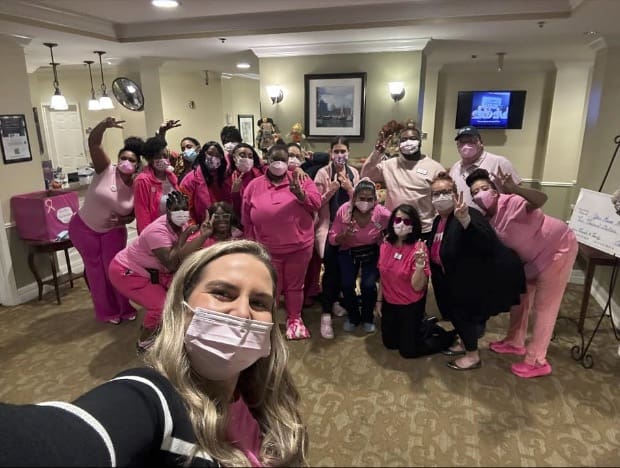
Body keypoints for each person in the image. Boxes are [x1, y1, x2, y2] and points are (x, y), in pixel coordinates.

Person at [0, 241, 308, 466]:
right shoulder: (153, 398)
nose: (242, 312)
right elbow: (59, 443)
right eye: (222, 293)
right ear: (181, 309)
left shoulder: (268, 401)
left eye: (259, 303)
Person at [466, 167, 579, 378]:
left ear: (495, 191)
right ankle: (515, 341)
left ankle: (537, 360)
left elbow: (540, 199)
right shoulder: (487, 218)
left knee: (544, 307)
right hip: (529, 260)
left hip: (557, 249)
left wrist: (516, 188)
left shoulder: (512, 202)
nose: (480, 194)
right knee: (520, 299)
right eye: (474, 192)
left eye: (484, 188)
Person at [427, 172, 525, 370]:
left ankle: (472, 356)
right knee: (458, 316)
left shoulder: (468, 214)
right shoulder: (438, 220)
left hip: (469, 282)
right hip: (450, 280)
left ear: (456, 194)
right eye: (436, 194)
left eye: (446, 192)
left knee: (464, 317)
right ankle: (465, 344)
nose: (441, 197)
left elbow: (486, 242)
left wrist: (465, 221)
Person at [109, 191, 213, 352]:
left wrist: (203, 235)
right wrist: (184, 237)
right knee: (160, 306)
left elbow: (184, 252)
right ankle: (144, 342)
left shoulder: (182, 224)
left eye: (184, 209)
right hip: (128, 271)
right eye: (176, 210)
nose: (181, 213)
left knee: (183, 293)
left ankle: (162, 328)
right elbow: (171, 263)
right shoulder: (157, 232)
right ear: (168, 211)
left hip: (153, 270)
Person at [68, 117, 143, 324]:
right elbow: (94, 143)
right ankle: (107, 311)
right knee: (96, 271)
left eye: (132, 160)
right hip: (84, 228)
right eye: (123, 158)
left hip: (113, 231)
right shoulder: (105, 170)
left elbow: (133, 214)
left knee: (115, 269)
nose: (126, 162)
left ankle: (124, 307)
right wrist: (103, 126)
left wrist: (123, 220)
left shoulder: (137, 185)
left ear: (137, 165)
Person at [242, 144, 321, 340]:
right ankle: (267, 320)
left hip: (299, 247)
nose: (278, 164)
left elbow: (316, 204)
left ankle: (295, 319)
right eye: (274, 159)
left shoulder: (301, 179)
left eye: (282, 160)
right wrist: (251, 247)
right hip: (267, 249)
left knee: (295, 286)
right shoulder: (254, 186)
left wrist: (300, 194)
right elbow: (247, 220)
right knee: (270, 288)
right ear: (266, 160)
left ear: (288, 162)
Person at [376, 204, 455, 357]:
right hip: (390, 303)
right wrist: (379, 301)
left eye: (407, 221)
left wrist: (420, 265)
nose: (401, 224)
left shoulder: (419, 249)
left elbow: (418, 287)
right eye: (398, 220)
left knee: (408, 351)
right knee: (390, 344)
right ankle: (422, 325)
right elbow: (383, 276)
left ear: (413, 225)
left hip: (410, 304)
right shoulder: (385, 245)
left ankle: (447, 336)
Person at [361, 123, 444, 239]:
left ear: (420, 142)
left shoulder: (435, 168)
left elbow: (442, 200)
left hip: (423, 229)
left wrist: (441, 227)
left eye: (412, 138)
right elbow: (366, 175)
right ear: (399, 144)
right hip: (394, 226)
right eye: (404, 140)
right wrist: (377, 152)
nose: (408, 142)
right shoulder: (389, 165)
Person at [329, 179, 391, 333]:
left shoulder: (380, 213)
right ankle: (353, 316)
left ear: (375, 200)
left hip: (372, 250)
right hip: (348, 250)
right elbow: (332, 238)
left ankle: (368, 317)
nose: (365, 202)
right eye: (362, 198)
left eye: (370, 199)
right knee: (347, 284)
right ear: (354, 197)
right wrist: (344, 235)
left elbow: (395, 223)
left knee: (368, 285)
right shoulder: (344, 211)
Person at [314, 137, 360, 338]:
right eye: (336, 151)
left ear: (348, 152)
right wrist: (330, 191)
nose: (340, 155)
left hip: (348, 228)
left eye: (343, 151)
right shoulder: (322, 173)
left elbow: (361, 202)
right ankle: (325, 315)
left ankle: (334, 301)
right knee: (331, 271)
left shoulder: (354, 173)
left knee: (346, 269)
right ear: (330, 152)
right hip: (327, 227)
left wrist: (350, 188)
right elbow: (315, 203)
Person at [449, 126, 522, 206]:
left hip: (495, 213)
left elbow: (519, 194)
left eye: (471, 141)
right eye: (462, 142)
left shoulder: (499, 163)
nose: (466, 145)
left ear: (481, 143)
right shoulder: (455, 168)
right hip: (463, 213)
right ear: (457, 146)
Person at [134, 135, 179, 234]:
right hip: (156, 232)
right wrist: (148, 236)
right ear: (150, 159)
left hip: (175, 229)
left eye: (165, 156)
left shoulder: (171, 176)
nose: (163, 159)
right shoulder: (143, 180)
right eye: (157, 157)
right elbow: (142, 213)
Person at [180, 141, 228, 225]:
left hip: (223, 226)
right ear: (203, 154)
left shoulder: (224, 177)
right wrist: (194, 229)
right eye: (210, 153)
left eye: (217, 155)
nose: (213, 157)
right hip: (200, 227)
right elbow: (185, 210)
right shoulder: (189, 180)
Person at [223, 142, 264, 217]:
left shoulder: (261, 177)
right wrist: (235, 193)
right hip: (240, 219)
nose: (247, 159)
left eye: (250, 156)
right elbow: (230, 211)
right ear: (234, 158)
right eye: (242, 156)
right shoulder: (228, 180)